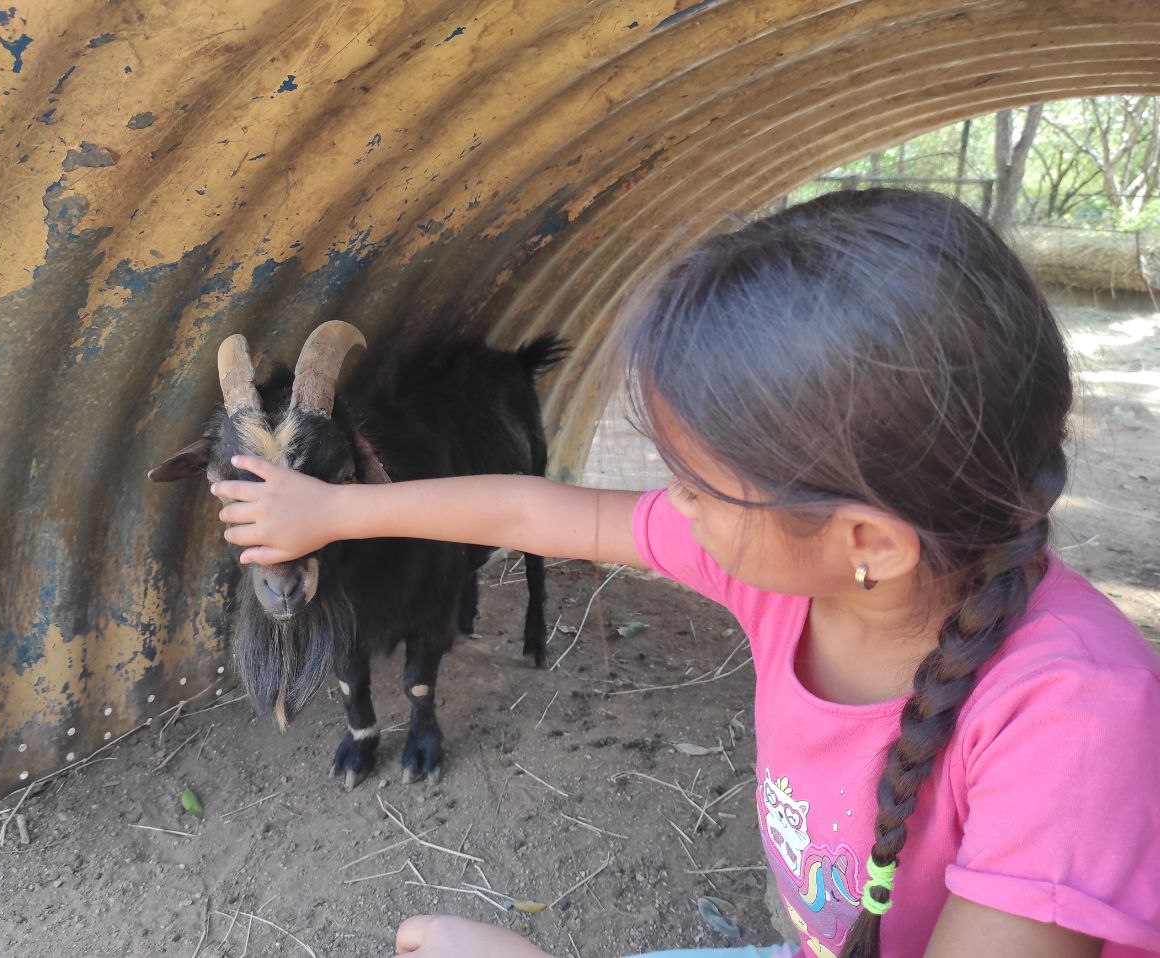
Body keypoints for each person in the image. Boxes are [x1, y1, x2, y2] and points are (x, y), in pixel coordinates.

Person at [210, 190, 1160, 958]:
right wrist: (334, 511)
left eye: (698, 485)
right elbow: (543, 512)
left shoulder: (1074, 725)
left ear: (866, 540)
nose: (672, 503)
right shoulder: (797, 576)